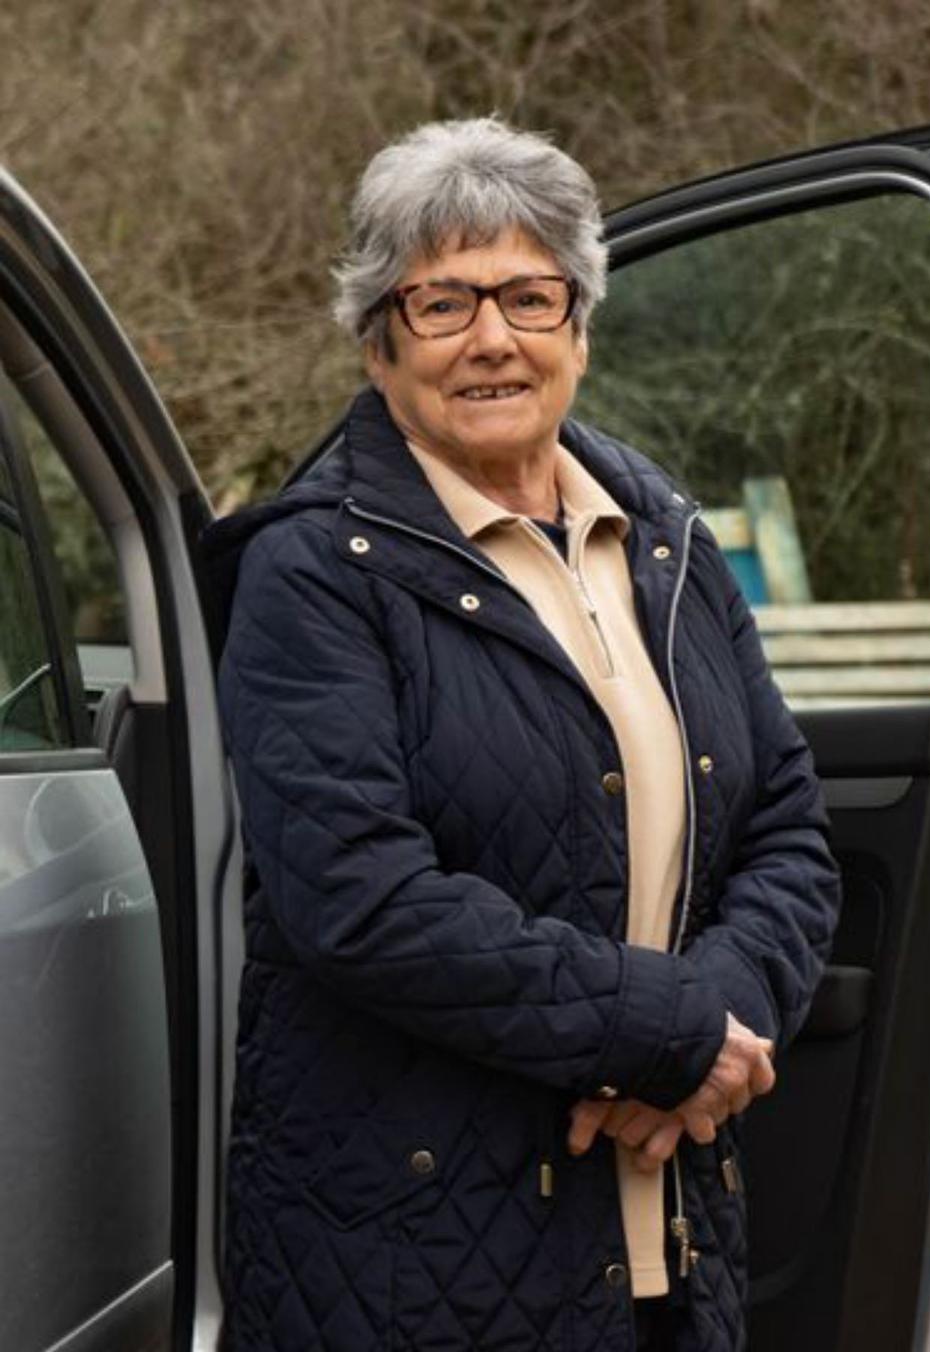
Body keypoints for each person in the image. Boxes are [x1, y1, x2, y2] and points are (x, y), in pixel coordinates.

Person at [209, 116, 840, 1352]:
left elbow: (788, 824)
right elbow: (362, 897)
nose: (493, 337)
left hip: (666, 1237)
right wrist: (668, 1033)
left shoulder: (660, 534)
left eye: (529, 296)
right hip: (412, 1265)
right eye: (443, 302)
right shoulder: (313, 567)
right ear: (379, 340)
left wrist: (716, 1017)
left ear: (580, 327)